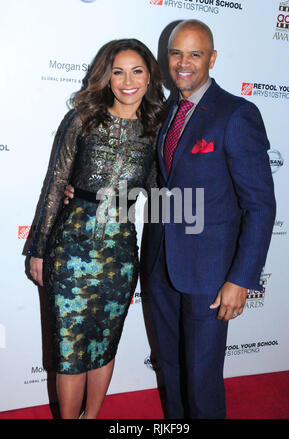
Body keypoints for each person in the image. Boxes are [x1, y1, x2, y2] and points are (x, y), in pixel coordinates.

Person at [142, 19, 276, 419]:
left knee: (201, 379)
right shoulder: (164, 112)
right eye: (176, 53)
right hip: (161, 265)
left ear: (212, 58)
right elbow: (160, 185)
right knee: (172, 367)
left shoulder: (236, 114)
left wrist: (241, 278)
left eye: (195, 54)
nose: (184, 63)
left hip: (211, 275)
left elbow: (260, 205)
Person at [28, 38, 165, 419]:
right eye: (117, 71)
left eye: (136, 71)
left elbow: (158, 195)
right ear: (106, 77)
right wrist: (38, 247)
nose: (127, 81)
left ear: (149, 76)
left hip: (120, 254)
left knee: (105, 344)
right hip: (70, 247)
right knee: (69, 349)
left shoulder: (158, 129)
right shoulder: (83, 118)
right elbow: (56, 182)